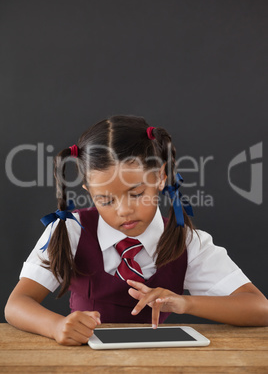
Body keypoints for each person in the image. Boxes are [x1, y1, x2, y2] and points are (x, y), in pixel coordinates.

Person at [5, 115, 268, 346]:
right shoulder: (70, 230)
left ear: (161, 177)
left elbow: (259, 308)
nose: (124, 211)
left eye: (137, 194)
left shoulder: (185, 241)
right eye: (106, 200)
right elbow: (17, 304)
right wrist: (55, 326)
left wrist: (185, 302)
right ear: (89, 193)